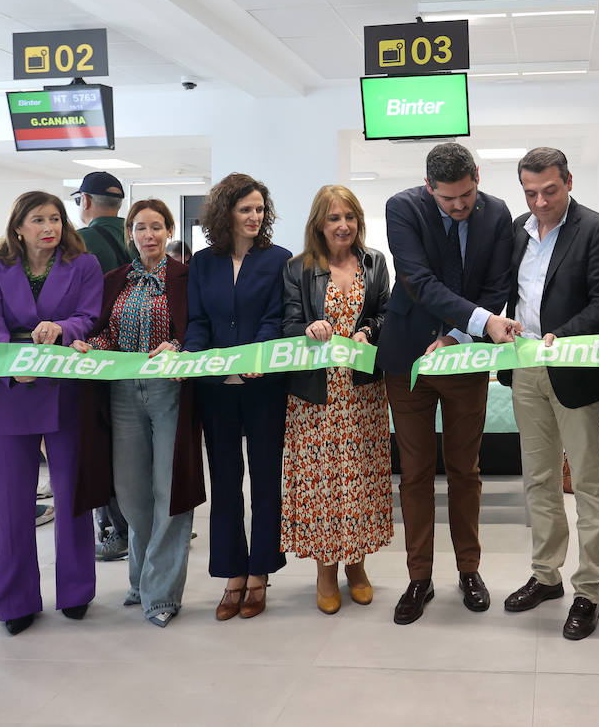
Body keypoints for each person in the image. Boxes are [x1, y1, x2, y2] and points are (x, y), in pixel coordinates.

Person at [376, 142, 515, 625]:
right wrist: (479, 320)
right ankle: (419, 576)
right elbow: (417, 280)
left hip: (464, 358)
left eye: (467, 195)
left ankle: (469, 570)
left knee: (465, 469)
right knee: (413, 472)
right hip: (408, 358)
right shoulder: (403, 208)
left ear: (477, 175)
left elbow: (499, 284)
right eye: (448, 199)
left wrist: (459, 336)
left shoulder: (497, 213)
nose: (459, 207)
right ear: (428, 186)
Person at [496, 147, 599, 640]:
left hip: (574, 368)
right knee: (539, 478)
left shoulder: (597, 229)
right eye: (530, 193)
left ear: (568, 181)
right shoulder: (516, 230)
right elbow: (508, 293)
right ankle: (545, 574)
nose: (541, 201)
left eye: (550, 190)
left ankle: (588, 589)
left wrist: (563, 335)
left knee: (589, 482)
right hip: (526, 369)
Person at [0, 191, 102, 635]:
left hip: (64, 390)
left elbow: (89, 316)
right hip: (8, 392)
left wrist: (62, 328)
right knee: (11, 505)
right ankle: (16, 600)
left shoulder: (84, 264)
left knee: (71, 497)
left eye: (57, 218)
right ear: (18, 227)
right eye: (38, 219)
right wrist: (12, 362)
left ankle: (76, 591)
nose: (50, 226)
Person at [73, 199, 204, 627]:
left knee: (170, 490)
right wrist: (94, 347)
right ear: (130, 233)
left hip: (171, 391)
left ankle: (161, 594)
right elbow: (105, 332)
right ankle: (140, 580)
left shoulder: (187, 277)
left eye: (156, 227)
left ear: (168, 231)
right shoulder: (115, 280)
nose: (148, 235)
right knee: (131, 492)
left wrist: (181, 347)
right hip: (122, 393)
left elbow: (201, 329)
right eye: (140, 228)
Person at [183, 172, 291, 621]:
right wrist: (191, 357)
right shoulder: (203, 262)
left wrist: (257, 354)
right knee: (226, 484)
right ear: (225, 212)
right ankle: (231, 575)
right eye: (245, 208)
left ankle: (261, 573)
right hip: (216, 392)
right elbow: (198, 321)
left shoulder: (279, 259)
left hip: (264, 386)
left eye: (259, 209)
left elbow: (276, 316)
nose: (253, 216)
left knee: (266, 482)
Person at [281, 185, 393, 614]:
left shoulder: (375, 262)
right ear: (319, 224)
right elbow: (288, 321)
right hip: (316, 397)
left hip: (363, 393)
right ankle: (325, 570)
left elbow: (385, 310)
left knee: (360, 480)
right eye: (333, 218)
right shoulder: (298, 268)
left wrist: (370, 330)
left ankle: (357, 566)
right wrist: (307, 327)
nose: (343, 225)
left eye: (349, 216)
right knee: (323, 485)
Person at [73, 170, 134, 563]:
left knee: (102, 446)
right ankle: (147, 521)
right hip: (141, 360)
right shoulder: (138, 240)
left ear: (86, 202)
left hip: (94, 356)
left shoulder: (78, 242)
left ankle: (116, 530)